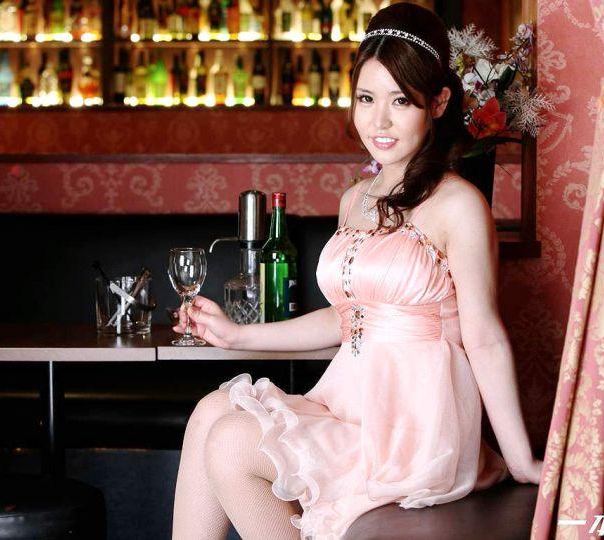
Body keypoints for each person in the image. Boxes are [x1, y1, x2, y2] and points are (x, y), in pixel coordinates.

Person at [170, 3, 543, 539]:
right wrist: (236, 333)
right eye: (367, 99)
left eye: (400, 101)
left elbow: (483, 335)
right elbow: (346, 320)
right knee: (210, 411)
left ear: (438, 103)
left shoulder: (458, 204)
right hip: (349, 400)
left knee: (232, 441)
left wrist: (519, 458)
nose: (379, 121)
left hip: (414, 425)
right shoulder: (356, 200)